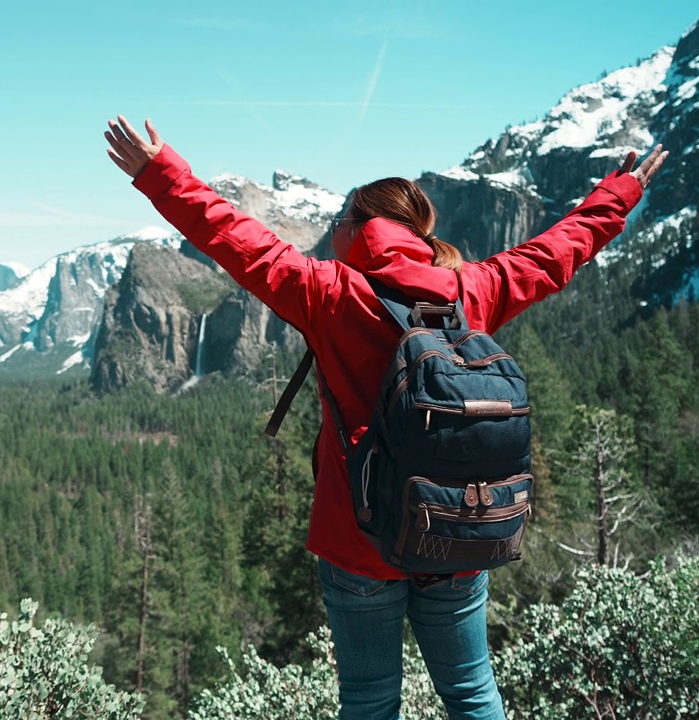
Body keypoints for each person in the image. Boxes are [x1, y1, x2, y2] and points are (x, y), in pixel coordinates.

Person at [105, 115, 667, 720]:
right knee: (473, 694)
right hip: (456, 527)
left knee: (370, 701)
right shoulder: (472, 290)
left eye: (340, 225)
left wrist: (161, 174)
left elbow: (234, 238)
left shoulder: (327, 291)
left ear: (359, 229)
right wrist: (619, 194)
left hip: (359, 542)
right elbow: (557, 252)